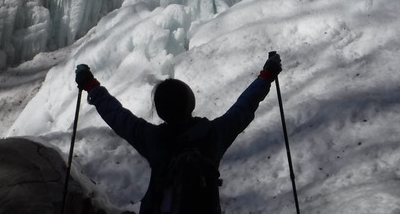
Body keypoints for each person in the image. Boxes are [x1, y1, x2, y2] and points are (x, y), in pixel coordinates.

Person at [74, 52, 283, 213]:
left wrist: (91, 85)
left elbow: (117, 116)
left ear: (160, 110)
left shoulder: (152, 139)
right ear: (190, 103)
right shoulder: (213, 135)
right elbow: (243, 107)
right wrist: (266, 75)